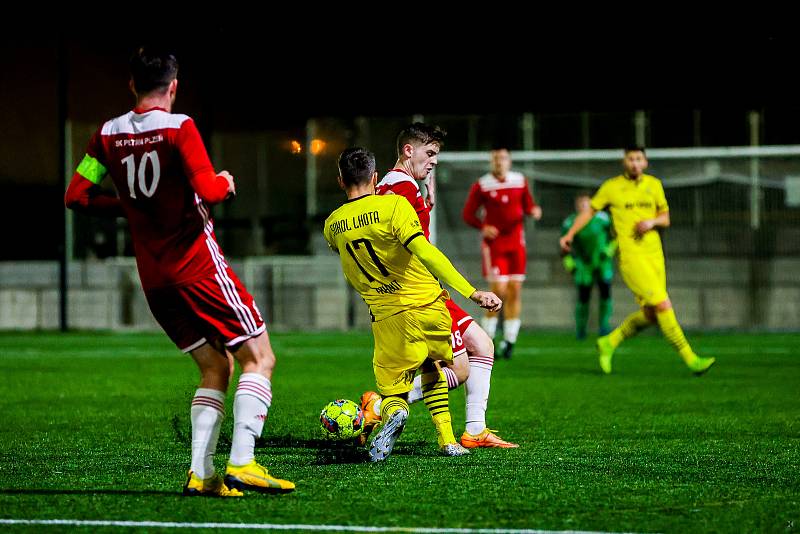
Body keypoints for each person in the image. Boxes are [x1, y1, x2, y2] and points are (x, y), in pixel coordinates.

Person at [64, 47, 294, 497]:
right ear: (173, 86)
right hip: (198, 267)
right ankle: (243, 461)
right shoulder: (179, 127)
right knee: (260, 358)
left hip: (155, 280)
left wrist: (130, 207)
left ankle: (202, 474)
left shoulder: (105, 135)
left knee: (215, 367)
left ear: (132, 85)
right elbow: (209, 188)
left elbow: (77, 196)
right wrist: (226, 183)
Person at [324, 147, 502, 461]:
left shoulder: (332, 225)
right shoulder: (394, 205)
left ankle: (392, 411)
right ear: (375, 178)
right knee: (435, 366)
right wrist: (472, 292)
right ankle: (447, 439)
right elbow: (426, 252)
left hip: (386, 315)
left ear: (340, 181)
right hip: (428, 306)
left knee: (394, 392)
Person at [363, 124, 518, 450]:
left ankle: (474, 429)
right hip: (419, 294)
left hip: (409, 293)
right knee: (460, 368)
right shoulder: (403, 188)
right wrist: (471, 291)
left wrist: (426, 203)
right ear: (408, 151)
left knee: (481, 347)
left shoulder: (393, 187)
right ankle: (378, 407)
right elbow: (417, 248)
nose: (434, 161)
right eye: (429, 153)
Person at [559, 147, 715, 375]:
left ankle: (609, 342)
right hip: (631, 257)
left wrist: (651, 222)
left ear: (645, 162)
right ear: (624, 161)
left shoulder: (654, 185)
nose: (634, 162)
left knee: (652, 314)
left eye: (638, 158)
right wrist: (570, 234)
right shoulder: (611, 187)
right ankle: (691, 359)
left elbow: (665, 217)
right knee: (663, 305)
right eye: (630, 158)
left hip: (655, 255)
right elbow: (589, 212)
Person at [463, 148, 542, 359]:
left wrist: (534, 210)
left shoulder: (519, 181)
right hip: (495, 246)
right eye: (496, 158)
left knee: (515, 290)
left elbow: (529, 205)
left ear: (509, 160)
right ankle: (486, 340)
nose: (500, 162)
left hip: (517, 244)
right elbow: (468, 214)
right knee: (498, 291)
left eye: (503, 158)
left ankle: (509, 341)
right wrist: (483, 227)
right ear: (492, 161)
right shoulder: (482, 184)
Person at [560, 192, 616, 339]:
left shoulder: (603, 219)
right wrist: (570, 264)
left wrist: (609, 251)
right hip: (584, 266)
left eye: (586, 203)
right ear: (576, 205)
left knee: (605, 293)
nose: (583, 206)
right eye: (580, 203)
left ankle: (604, 326)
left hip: (602, 263)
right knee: (583, 297)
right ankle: (581, 329)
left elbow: (616, 237)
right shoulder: (570, 222)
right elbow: (564, 247)